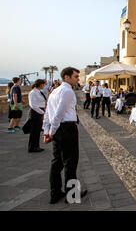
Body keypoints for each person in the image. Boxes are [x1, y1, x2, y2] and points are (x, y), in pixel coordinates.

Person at [43, 67, 88, 204]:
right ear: (67, 77)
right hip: (67, 129)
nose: (78, 79)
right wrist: (51, 132)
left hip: (58, 129)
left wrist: (47, 130)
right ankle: (72, 195)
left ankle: (55, 192)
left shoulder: (54, 91)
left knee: (57, 162)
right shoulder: (67, 91)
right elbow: (58, 114)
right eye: (75, 76)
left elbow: (47, 113)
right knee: (70, 162)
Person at [25, 79, 47, 152]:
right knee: (34, 131)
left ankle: (36, 146)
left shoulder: (38, 92)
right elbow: (33, 105)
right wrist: (42, 112)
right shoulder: (33, 93)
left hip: (39, 111)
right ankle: (32, 147)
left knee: (37, 130)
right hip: (35, 113)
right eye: (44, 84)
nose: (44, 85)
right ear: (41, 84)